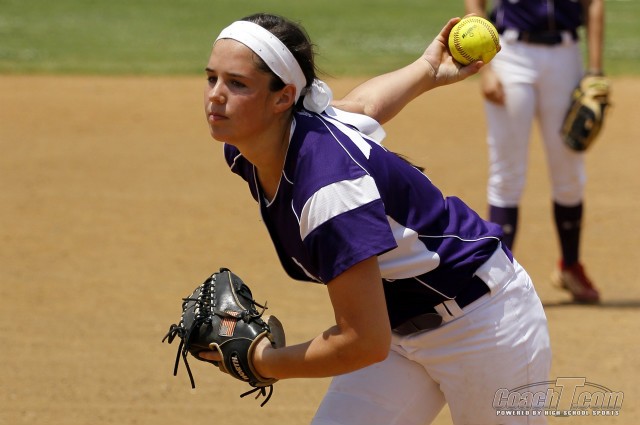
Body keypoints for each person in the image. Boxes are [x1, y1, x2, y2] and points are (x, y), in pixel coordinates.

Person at [200, 12, 551, 424]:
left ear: (283, 97)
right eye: (212, 78)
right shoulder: (268, 139)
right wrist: (427, 68)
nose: (216, 96)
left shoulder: (330, 190)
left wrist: (263, 361)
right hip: (397, 332)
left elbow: (362, 342)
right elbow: (364, 106)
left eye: (237, 83)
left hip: (485, 326)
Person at [463, 0, 606, 303]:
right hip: (510, 54)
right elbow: (476, 4)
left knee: (569, 169)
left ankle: (570, 266)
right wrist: (485, 68)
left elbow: (594, 3)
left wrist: (595, 70)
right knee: (507, 171)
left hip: (566, 56)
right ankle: (500, 276)